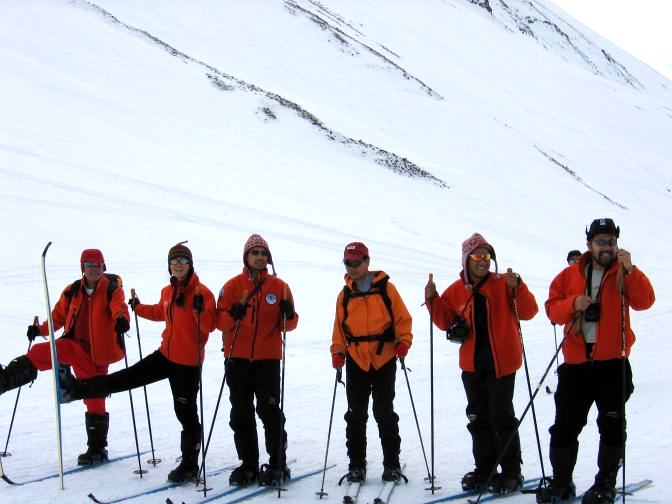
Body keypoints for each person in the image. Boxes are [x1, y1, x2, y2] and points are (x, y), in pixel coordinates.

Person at [59, 242, 217, 484]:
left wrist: (199, 311)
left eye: (182, 261)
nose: (178, 265)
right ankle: (77, 389)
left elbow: (208, 326)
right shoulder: (168, 291)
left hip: (187, 364)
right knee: (126, 378)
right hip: (165, 355)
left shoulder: (202, 293)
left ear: (190, 264)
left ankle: (189, 465)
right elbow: (160, 312)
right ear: (169, 266)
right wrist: (138, 308)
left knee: (185, 414)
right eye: (174, 262)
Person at [538, 219, 655, 504]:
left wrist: (631, 271)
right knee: (565, 426)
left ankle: (605, 484)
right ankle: (562, 482)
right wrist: (572, 304)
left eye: (611, 241)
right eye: (601, 241)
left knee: (612, 426)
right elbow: (552, 311)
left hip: (612, 363)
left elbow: (646, 301)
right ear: (589, 244)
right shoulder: (569, 275)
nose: (607, 247)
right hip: (576, 364)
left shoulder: (624, 272)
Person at [425, 233, 538, 494]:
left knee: (501, 417)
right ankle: (485, 469)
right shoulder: (456, 289)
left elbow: (529, 311)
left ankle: (511, 471)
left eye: (486, 256)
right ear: (466, 260)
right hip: (472, 366)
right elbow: (444, 322)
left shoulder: (503, 283)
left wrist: (518, 286)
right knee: (477, 418)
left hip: (502, 364)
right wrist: (432, 299)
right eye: (477, 256)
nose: (482, 261)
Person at [0, 249, 129, 466]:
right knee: (41, 352)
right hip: (73, 345)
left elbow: (119, 308)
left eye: (98, 265)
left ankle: (97, 449)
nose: (94, 269)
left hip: (99, 355)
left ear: (103, 267)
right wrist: (40, 330)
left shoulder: (112, 291)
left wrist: (121, 319)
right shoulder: (72, 290)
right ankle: (4, 380)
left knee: (94, 398)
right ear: (83, 267)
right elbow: (57, 318)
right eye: (89, 265)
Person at [216, 234, 298, 487]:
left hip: (268, 359)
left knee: (269, 411)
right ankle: (248, 464)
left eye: (264, 253)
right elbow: (219, 321)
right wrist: (233, 314)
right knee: (240, 412)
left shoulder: (280, 287)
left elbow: (290, 325)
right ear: (246, 257)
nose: (260, 257)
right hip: (236, 359)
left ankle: (277, 462)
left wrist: (288, 314)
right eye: (255, 253)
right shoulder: (231, 287)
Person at [330, 242, 413, 484]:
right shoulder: (344, 295)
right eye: (349, 263)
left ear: (367, 261)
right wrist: (338, 352)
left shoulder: (388, 290)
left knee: (384, 412)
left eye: (357, 262)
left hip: (384, 357)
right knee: (356, 414)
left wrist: (403, 342)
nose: (353, 267)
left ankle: (392, 464)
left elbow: (402, 319)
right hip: (356, 359)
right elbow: (339, 329)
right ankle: (356, 464)